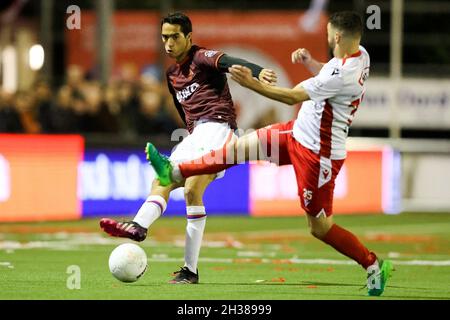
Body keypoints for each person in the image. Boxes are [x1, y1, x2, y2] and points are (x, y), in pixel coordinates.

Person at [145, 11, 393, 296]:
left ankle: (372, 264)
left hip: (318, 154)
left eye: (327, 33)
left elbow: (291, 96)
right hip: (295, 133)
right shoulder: (359, 55)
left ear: (336, 36)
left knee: (319, 227)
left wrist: (251, 84)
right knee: (236, 149)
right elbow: (330, 70)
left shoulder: (343, 75)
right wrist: (310, 63)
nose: (326, 36)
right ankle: (175, 170)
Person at [100, 12, 277, 284]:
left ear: (188, 37)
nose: (168, 43)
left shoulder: (201, 57)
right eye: (164, 37)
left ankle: (167, 249)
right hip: (195, 136)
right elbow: (183, 111)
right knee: (163, 180)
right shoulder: (172, 74)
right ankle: (143, 229)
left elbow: (229, 62)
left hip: (219, 131)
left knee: (192, 188)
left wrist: (258, 71)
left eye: (174, 36)